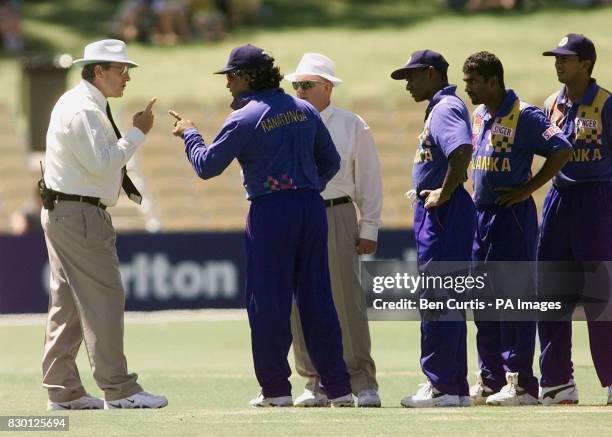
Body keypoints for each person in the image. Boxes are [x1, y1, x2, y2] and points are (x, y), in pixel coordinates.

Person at [169, 44, 353, 407]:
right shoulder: (303, 110)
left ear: (248, 77)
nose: (228, 84)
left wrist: (189, 133)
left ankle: (275, 390)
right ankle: (339, 389)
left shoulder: (246, 117)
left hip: (271, 210)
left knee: (268, 301)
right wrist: (306, 185)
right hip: (311, 206)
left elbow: (207, 166)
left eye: (232, 76)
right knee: (318, 298)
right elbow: (330, 161)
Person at [41, 39, 167, 410]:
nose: (126, 77)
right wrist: (138, 133)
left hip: (70, 211)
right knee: (104, 298)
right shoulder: (82, 110)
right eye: (121, 69)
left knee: (68, 304)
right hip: (79, 213)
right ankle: (120, 389)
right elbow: (103, 163)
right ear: (99, 72)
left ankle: (63, 390)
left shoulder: (82, 104)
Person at [462, 51, 572, 406]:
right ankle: (492, 378)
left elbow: (562, 148)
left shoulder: (524, 114)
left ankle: (521, 383)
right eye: (466, 81)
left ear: (494, 81)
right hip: (482, 217)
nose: (468, 89)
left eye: (474, 82)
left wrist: (529, 188)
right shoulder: (479, 115)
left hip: (511, 216)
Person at [284, 53, 383, 408]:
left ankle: (362, 380)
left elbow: (368, 178)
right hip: (296, 212)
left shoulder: (350, 123)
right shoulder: (286, 122)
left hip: (336, 212)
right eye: (296, 85)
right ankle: (315, 381)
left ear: (327, 88)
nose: (299, 90)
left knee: (345, 300)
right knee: (299, 302)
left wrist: (369, 224)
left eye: (306, 85)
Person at [391, 49, 476, 408]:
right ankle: (453, 385)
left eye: (412, 75)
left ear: (430, 73)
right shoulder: (441, 108)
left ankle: (441, 385)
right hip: (444, 210)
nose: (407, 83)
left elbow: (461, 150)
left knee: (438, 297)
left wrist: (445, 190)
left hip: (443, 212)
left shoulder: (445, 109)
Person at [538, 33, 612, 406]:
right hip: (558, 199)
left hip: (598, 200)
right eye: (556, 57)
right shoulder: (551, 103)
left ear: (585, 64)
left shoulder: (606, 104)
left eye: (566, 58)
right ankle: (556, 380)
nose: (558, 63)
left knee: (602, 294)